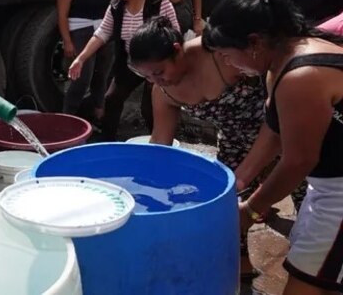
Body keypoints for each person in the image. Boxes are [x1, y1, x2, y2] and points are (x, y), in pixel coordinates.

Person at [128, 16, 305, 280]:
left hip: (282, 127)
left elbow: (276, 105)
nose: (156, 80)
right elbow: (160, 147)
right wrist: (141, 192)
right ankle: (241, 263)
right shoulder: (163, 92)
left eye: (159, 72)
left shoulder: (219, 52)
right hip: (235, 140)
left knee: (303, 189)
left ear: (177, 50)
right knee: (229, 204)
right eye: (147, 76)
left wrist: (248, 172)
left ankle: (312, 261)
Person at [203, 0, 343, 295]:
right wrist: (238, 180)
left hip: (340, 192)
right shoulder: (278, 64)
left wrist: (250, 211)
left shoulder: (300, 76)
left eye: (227, 54)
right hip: (327, 187)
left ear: (254, 42)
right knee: (325, 275)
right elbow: (274, 133)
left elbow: (298, 160)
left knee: (306, 282)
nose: (228, 63)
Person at [69, 0, 179, 140]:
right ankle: (109, 142)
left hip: (157, 65)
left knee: (150, 108)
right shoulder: (116, 6)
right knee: (111, 99)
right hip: (131, 64)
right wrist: (80, 59)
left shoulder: (159, 3)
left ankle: (161, 143)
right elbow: (102, 33)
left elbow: (176, 34)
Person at [57, 0, 116, 119]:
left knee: (102, 75)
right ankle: (68, 118)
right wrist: (67, 41)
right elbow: (62, 15)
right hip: (81, 33)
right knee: (81, 78)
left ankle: (99, 115)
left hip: (105, 33)